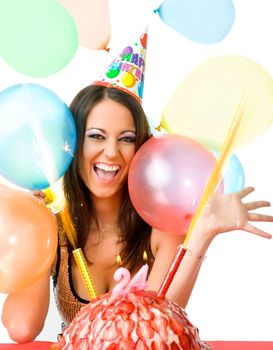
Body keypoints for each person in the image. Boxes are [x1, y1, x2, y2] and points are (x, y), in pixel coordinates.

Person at [2, 30, 273, 343]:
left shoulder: (162, 226)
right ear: (73, 142)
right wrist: (35, 229)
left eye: (127, 139)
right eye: (96, 136)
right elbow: (22, 328)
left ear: (143, 146)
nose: (111, 153)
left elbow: (159, 325)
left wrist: (203, 233)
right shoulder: (57, 227)